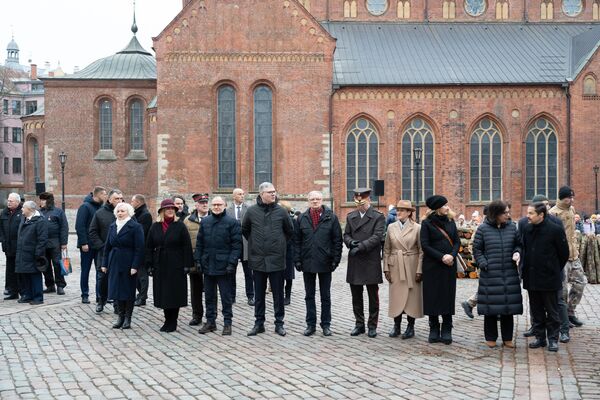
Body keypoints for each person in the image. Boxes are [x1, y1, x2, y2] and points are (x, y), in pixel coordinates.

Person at [242, 182, 294, 337]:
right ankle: (259, 324)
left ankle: (279, 323)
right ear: (261, 194)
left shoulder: (281, 211)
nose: (273, 194)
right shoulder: (251, 212)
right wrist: (255, 243)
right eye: (270, 192)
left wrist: (280, 244)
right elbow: (245, 230)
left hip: (277, 259)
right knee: (259, 295)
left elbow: (289, 231)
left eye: (274, 192)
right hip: (257, 260)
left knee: (278, 294)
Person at [472, 200, 522, 348]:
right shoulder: (482, 229)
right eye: (505, 213)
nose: (508, 215)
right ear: (496, 214)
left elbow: (519, 244)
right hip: (490, 274)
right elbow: (477, 250)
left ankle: (507, 338)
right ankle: (491, 337)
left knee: (508, 307)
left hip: (509, 272)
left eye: (508, 212)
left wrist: (517, 252)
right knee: (490, 307)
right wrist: (483, 263)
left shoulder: (513, 228)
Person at [522, 202, 569, 352]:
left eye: (531, 213)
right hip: (532, 277)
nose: (527, 216)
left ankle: (553, 339)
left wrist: (553, 268)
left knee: (552, 310)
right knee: (536, 310)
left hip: (549, 278)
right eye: (528, 213)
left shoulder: (555, 230)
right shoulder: (527, 229)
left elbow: (564, 254)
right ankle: (540, 337)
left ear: (541, 215)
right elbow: (526, 251)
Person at [294, 190, 343, 337]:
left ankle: (326, 324)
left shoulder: (331, 218)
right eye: (312, 199)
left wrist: (336, 259)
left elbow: (337, 241)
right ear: (308, 201)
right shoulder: (302, 218)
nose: (315, 201)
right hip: (307, 261)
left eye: (318, 199)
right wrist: (297, 259)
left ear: (322, 200)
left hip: (325, 262)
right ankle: (310, 324)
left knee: (325, 296)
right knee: (309, 295)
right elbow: (296, 241)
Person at [195, 196, 242, 335]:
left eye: (219, 204)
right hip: (208, 264)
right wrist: (198, 260)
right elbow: (200, 243)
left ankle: (227, 323)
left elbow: (236, 245)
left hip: (224, 266)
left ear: (225, 206)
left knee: (226, 297)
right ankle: (210, 322)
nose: (216, 207)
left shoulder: (232, 222)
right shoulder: (205, 222)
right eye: (214, 204)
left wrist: (232, 263)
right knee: (209, 296)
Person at [343, 188, 385, 338]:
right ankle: (359, 324)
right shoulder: (351, 216)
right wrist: (350, 242)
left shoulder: (378, 216)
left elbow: (377, 236)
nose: (359, 205)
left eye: (362, 202)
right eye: (357, 202)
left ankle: (372, 325)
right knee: (356, 295)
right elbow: (346, 234)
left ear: (368, 200)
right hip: (355, 260)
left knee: (373, 295)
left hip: (370, 259)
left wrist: (360, 246)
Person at [146, 199, 193, 332]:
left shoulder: (180, 226)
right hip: (160, 264)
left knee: (174, 293)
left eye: (172, 209)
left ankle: (173, 321)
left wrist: (187, 265)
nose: (170, 211)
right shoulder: (155, 226)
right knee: (163, 294)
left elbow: (187, 246)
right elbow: (149, 246)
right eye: (167, 209)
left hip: (176, 264)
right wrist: (149, 264)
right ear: (162, 211)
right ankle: (167, 320)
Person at [420, 195, 460, 345]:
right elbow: (425, 245)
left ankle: (447, 328)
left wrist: (452, 255)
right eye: (444, 205)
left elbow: (457, 241)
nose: (447, 207)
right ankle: (434, 328)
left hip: (449, 266)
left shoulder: (451, 221)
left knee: (447, 296)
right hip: (432, 266)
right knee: (432, 297)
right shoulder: (427, 223)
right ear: (437, 208)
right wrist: (441, 256)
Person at [383, 200, 423, 339]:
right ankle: (396, 325)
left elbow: (421, 250)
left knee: (412, 297)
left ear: (409, 212)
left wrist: (419, 269)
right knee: (396, 296)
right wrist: (386, 268)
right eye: (397, 209)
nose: (398, 212)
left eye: (401, 210)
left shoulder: (417, 228)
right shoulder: (391, 227)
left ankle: (411, 327)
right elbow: (386, 249)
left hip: (411, 264)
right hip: (395, 265)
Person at [549, 186, 588, 332]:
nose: (571, 200)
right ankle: (562, 316)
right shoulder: (553, 213)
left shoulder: (572, 210)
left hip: (574, 255)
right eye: (568, 197)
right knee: (562, 290)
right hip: (561, 258)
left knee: (580, 283)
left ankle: (570, 312)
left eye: (572, 197)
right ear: (561, 197)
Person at [101, 203, 144, 330]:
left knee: (128, 291)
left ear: (129, 212)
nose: (120, 213)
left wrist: (135, 265)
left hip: (128, 261)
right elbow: (107, 246)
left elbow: (139, 248)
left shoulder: (135, 227)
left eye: (123, 211)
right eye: (118, 211)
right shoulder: (112, 226)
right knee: (116, 290)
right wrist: (104, 263)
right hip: (114, 261)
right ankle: (120, 316)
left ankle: (127, 318)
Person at [89, 189, 124, 313]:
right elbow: (92, 232)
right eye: (116, 198)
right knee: (102, 278)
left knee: (118, 278)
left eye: (121, 198)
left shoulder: (125, 213)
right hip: (104, 252)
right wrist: (102, 246)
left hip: (120, 252)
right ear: (109, 199)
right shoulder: (100, 213)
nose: (119, 201)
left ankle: (117, 303)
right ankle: (100, 301)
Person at [75, 186, 107, 304]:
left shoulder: (101, 207)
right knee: (85, 270)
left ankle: (100, 296)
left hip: (98, 245)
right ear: (97, 195)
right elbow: (80, 226)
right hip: (87, 246)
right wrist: (83, 242)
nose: (105, 197)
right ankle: (85, 294)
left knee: (100, 271)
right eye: (104, 194)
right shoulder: (85, 206)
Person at [15, 201, 48, 305]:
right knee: (25, 275)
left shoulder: (40, 221)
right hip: (23, 253)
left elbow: (42, 239)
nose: (21, 209)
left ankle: (38, 297)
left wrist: (38, 253)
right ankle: (28, 295)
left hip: (33, 254)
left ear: (29, 209)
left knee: (34, 275)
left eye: (23, 207)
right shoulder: (24, 219)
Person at [183, 193, 209, 326]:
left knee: (211, 290)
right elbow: (184, 243)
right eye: (202, 203)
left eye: (206, 202)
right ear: (196, 205)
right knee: (196, 290)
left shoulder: (213, 218)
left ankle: (211, 316)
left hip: (211, 261)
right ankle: (197, 315)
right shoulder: (188, 221)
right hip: (194, 261)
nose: (205, 205)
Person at [226, 188, 254, 306]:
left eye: (243, 194)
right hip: (233, 245)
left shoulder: (250, 209)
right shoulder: (228, 210)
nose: (242, 196)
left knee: (249, 273)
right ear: (234, 196)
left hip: (246, 244)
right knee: (231, 272)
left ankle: (251, 296)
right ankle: (232, 296)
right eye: (239, 194)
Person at [39, 192, 69, 296]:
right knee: (45, 264)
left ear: (48, 201)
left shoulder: (58, 212)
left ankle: (60, 285)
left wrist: (64, 242)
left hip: (55, 242)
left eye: (43, 200)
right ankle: (50, 285)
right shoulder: (39, 212)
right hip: (43, 243)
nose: (41, 202)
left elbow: (64, 227)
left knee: (57, 264)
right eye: (40, 200)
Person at [1, 193, 24, 300]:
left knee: (20, 269)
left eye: (11, 201)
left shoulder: (22, 212)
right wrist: (3, 240)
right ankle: (12, 291)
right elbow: (1, 229)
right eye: (8, 200)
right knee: (10, 270)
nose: (8, 202)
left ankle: (23, 291)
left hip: (19, 247)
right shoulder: (4, 213)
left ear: (17, 202)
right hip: (8, 247)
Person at [131, 194, 153, 306]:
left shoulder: (145, 215)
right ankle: (140, 295)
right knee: (137, 275)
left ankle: (143, 297)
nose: (131, 203)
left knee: (142, 275)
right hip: (136, 249)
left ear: (138, 202)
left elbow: (141, 233)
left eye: (132, 201)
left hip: (143, 249)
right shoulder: (138, 214)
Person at [280, 200, 295, 306]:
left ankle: (288, 296)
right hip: (278, 252)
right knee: (279, 276)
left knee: (288, 276)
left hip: (289, 251)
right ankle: (280, 295)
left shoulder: (292, 220)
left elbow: (293, 235)